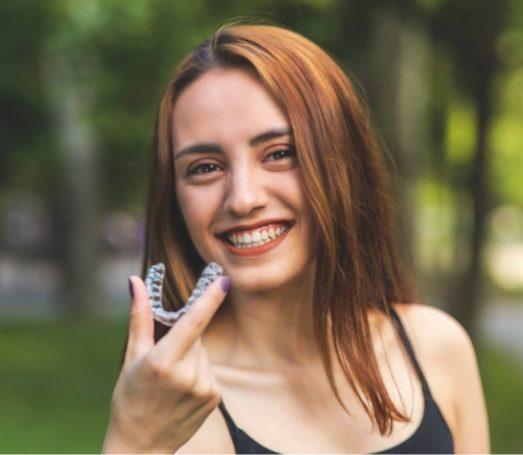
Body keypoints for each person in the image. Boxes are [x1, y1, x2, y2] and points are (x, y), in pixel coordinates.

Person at [102, 23, 490, 454]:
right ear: (173, 199)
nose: (243, 199)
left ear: (345, 164)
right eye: (206, 167)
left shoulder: (438, 347)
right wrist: (133, 441)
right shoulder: (180, 407)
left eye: (280, 153)